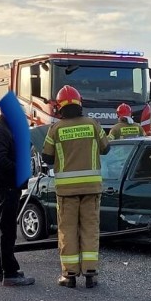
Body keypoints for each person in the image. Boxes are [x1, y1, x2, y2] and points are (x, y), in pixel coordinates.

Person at [41, 86, 110, 288]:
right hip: (91, 188)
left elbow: (46, 157)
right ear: (80, 104)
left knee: (68, 231)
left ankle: (69, 275)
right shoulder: (93, 125)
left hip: (66, 191)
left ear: (60, 107)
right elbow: (106, 148)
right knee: (90, 229)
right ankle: (90, 274)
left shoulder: (55, 129)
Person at [0, 111, 35, 286]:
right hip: (7, 185)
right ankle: (9, 272)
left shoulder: (6, 129)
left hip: (8, 185)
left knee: (3, 227)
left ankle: (3, 269)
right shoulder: (1, 130)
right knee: (7, 229)